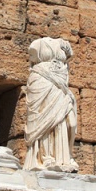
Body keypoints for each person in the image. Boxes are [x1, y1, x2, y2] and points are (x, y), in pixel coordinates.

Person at [23, 37, 79, 172]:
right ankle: (45, 157)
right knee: (46, 121)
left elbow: (69, 56)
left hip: (61, 88)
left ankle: (64, 157)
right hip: (42, 80)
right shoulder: (38, 43)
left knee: (71, 123)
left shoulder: (63, 43)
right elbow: (32, 54)